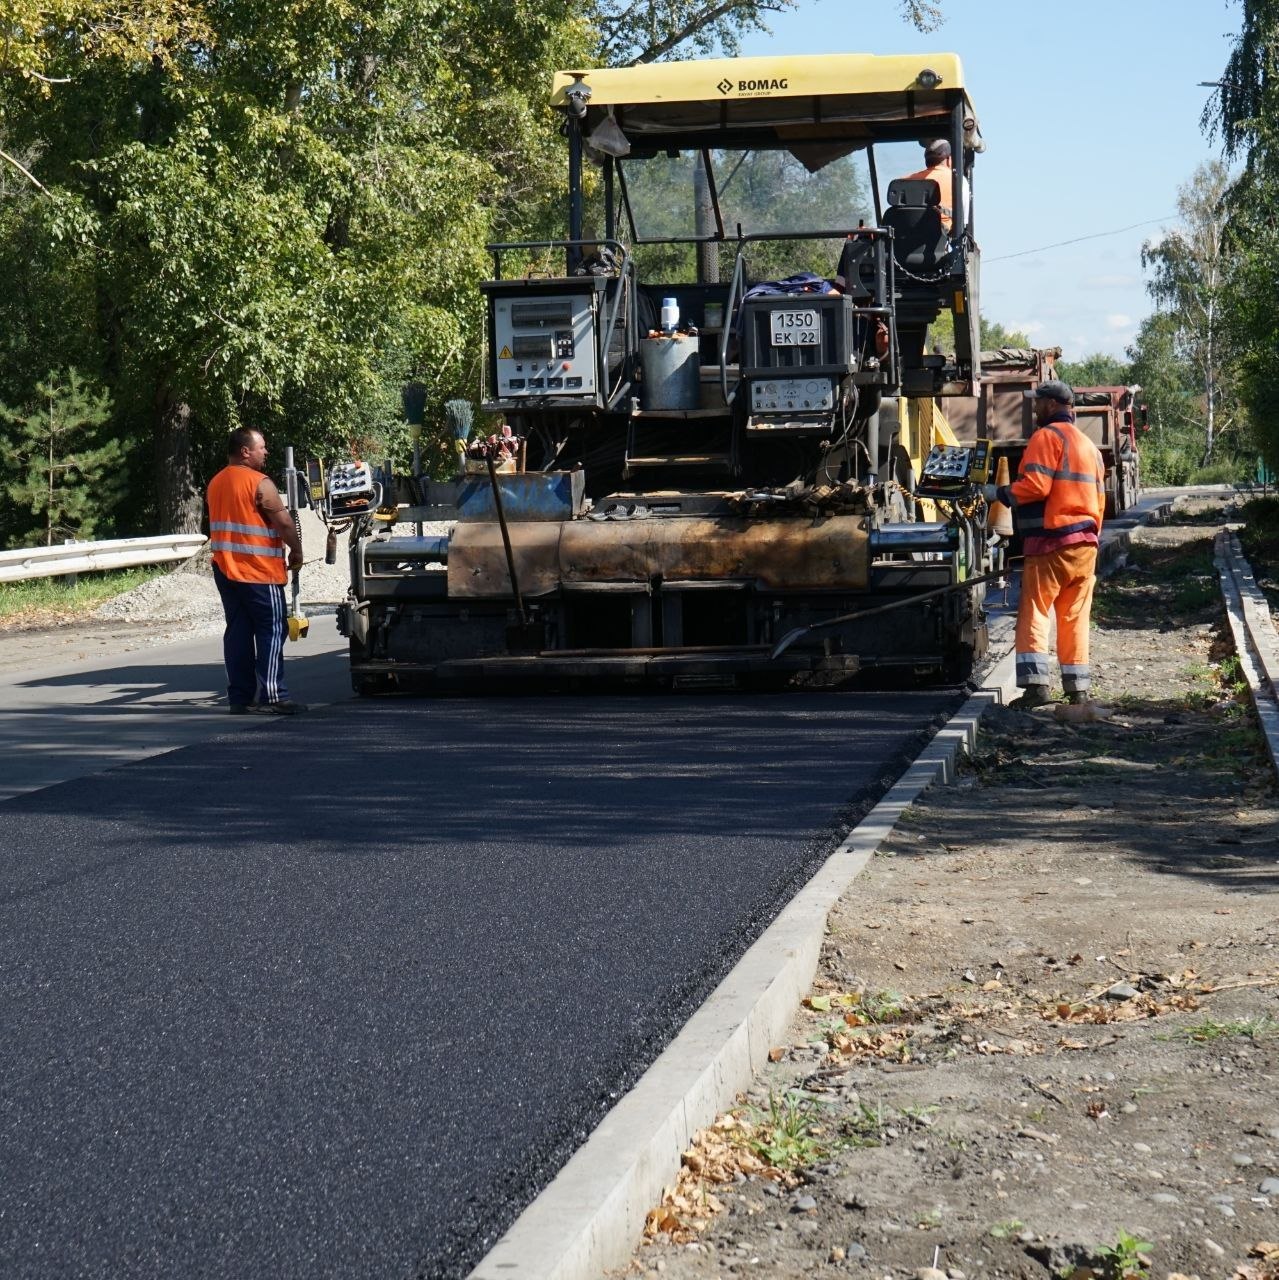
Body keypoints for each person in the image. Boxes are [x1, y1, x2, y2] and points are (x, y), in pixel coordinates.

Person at [985, 380, 1106, 709]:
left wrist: (999, 494)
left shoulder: (1046, 437)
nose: (1034, 408)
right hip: (1085, 545)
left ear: (1052, 405)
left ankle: (1036, 688)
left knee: (1036, 611)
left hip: (1051, 542)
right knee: (1074, 617)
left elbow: (1036, 485)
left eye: (1037, 403)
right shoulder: (1089, 447)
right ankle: (1077, 690)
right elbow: (1099, 500)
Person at [206, 427, 306, 715]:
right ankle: (274, 696)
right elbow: (285, 523)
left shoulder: (215, 483)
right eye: (261, 447)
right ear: (245, 451)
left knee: (238, 632)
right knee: (272, 630)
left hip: (225, 570)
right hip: (258, 572)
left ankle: (240, 697)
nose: (266, 452)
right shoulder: (259, 482)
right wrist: (296, 550)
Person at [901, 138, 970, 235]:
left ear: (927, 161)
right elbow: (962, 223)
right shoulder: (959, 181)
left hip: (903, 240)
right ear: (949, 159)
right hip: (938, 243)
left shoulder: (903, 181)